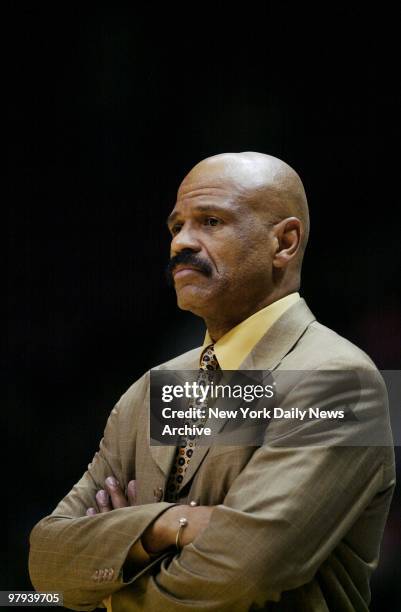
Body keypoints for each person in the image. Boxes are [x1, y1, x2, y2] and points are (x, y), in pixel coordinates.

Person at [29, 152, 395, 611]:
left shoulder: (344, 382)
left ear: (284, 242)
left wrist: (111, 585)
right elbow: (46, 567)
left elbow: (246, 573)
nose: (181, 242)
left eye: (210, 221)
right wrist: (170, 524)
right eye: (176, 226)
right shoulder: (156, 386)